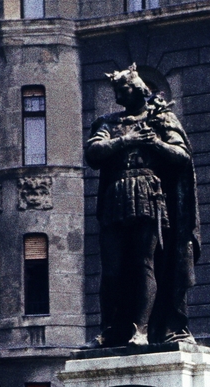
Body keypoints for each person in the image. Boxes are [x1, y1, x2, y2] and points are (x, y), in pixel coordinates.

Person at [84, 65, 199, 347]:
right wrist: (127, 140)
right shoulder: (107, 123)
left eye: (123, 91)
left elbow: (182, 155)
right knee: (111, 269)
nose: (118, 97)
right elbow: (93, 153)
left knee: (144, 264)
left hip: (149, 196)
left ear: (138, 90)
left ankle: (142, 330)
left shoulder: (161, 119)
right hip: (116, 197)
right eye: (116, 92)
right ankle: (110, 328)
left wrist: (157, 144)